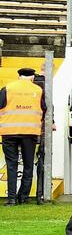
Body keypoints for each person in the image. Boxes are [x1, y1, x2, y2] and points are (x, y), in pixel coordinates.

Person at [0, 67, 44, 205]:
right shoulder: (38, 90)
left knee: (11, 165)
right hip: (30, 132)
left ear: (19, 76)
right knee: (28, 165)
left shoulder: (7, 88)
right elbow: (44, 108)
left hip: (9, 132)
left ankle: (12, 198)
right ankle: (23, 196)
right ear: (32, 77)